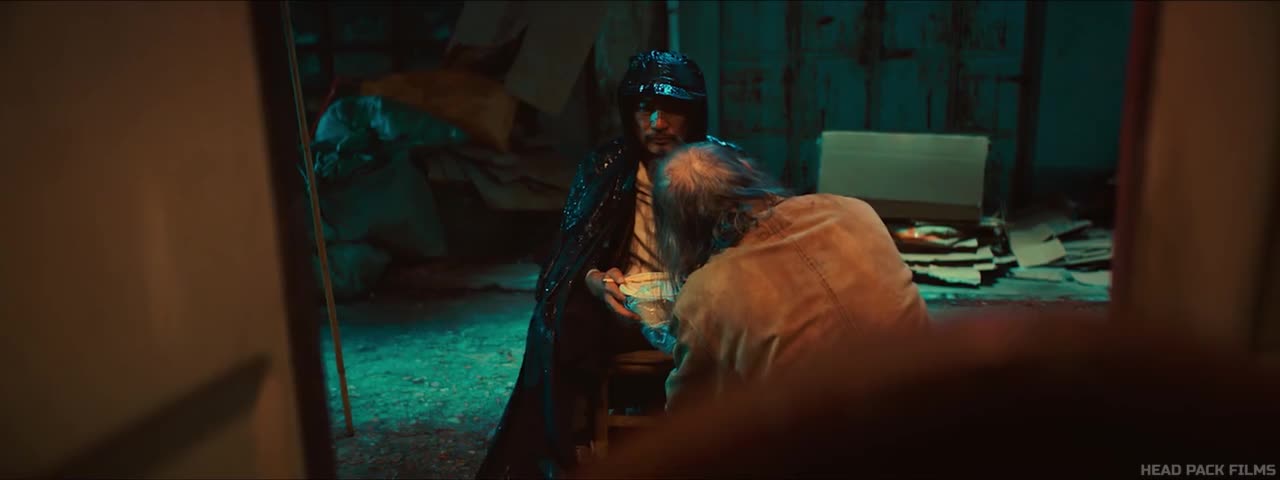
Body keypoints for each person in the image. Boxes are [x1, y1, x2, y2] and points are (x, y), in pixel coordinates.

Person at [476, 51, 744, 479]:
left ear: (694, 113)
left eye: (671, 109)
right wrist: (596, 280)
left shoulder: (725, 168)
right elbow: (567, 257)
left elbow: (755, 253)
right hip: (626, 306)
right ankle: (570, 440)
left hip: (704, 306)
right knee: (561, 317)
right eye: (644, 108)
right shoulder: (605, 168)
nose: (657, 123)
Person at [649, 141, 931, 410]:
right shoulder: (852, 209)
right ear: (748, 171)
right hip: (935, 408)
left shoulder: (705, 293)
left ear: (679, 226)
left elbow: (687, 413)